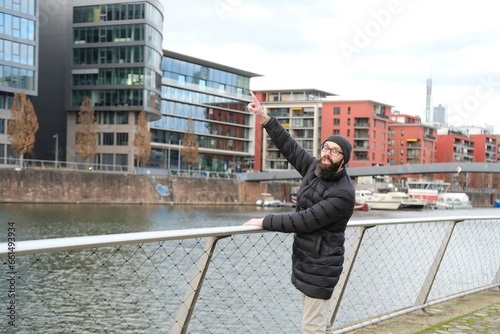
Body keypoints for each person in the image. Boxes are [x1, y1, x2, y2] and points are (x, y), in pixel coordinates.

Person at [243, 91, 355, 334]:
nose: (326, 153)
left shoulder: (343, 193)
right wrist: (264, 118)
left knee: (312, 328)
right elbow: (289, 147)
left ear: (343, 161)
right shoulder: (315, 168)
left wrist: (264, 220)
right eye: (326, 147)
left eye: (334, 151)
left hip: (321, 267)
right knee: (319, 326)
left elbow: (306, 220)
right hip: (308, 263)